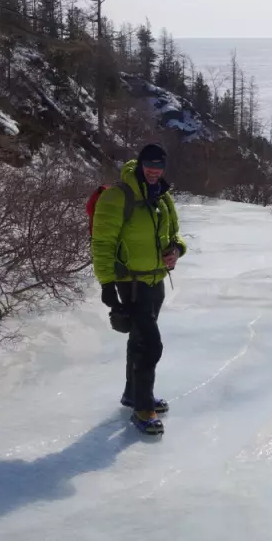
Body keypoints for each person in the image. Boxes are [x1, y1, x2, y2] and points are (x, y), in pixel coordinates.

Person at [91, 143, 186, 435]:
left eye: (159, 165)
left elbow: (175, 234)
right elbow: (103, 243)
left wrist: (177, 250)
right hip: (130, 282)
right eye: (149, 164)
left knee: (139, 339)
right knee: (151, 345)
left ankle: (132, 394)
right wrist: (107, 284)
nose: (154, 170)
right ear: (141, 164)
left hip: (155, 280)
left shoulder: (164, 197)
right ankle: (143, 407)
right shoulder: (118, 196)